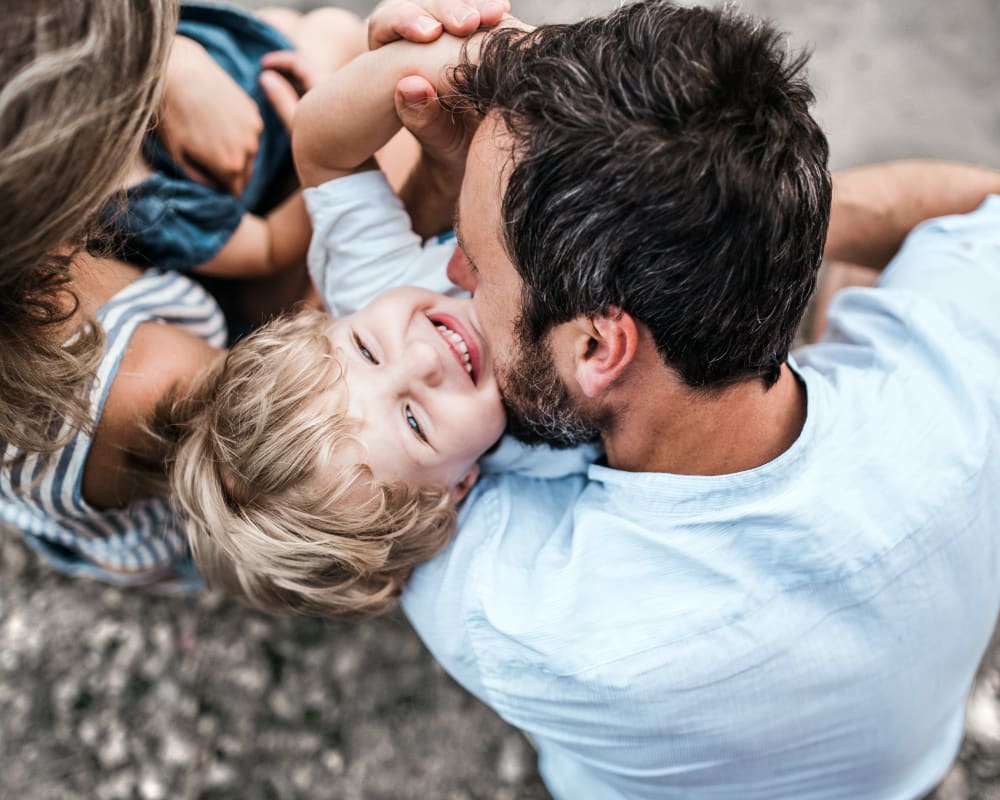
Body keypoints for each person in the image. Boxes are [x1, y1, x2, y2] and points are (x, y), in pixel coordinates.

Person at [356, 1, 1000, 797]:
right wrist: (738, 235)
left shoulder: (519, 617)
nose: (450, 277)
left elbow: (345, 406)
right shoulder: (962, 373)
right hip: (912, 758)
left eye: (475, 265)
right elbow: (984, 207)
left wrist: (423, 182)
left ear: (598, 349)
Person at [0, 0, 452, 588]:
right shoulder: (145, 384)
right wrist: (337, 159)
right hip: (171, 498)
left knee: (297, 45)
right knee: (361, 106)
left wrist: (175, 66)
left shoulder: (49, 247)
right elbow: (276, 467)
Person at [165, 26, 597, 618]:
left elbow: (320, 145)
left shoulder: (372, 285)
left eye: (366, 350)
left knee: (333, 42)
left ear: (325, 321)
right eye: (415, 423)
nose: (421, 358)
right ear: (458, 491)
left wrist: (472, 61)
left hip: (545, 129)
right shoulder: (548, 455)